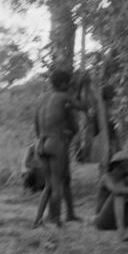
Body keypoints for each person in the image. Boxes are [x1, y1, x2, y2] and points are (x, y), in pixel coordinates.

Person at [33, 69, 89, 227]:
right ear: (64, 83)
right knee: (57, 185)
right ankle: (56, 220)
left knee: (50, 185)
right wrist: (83, 87)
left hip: (40, 144)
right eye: (68, 83)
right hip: (55, 143)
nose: (70, 85)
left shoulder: (41, 99)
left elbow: (36, 126)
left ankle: (38, 220)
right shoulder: (64, 96)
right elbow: (84, 106)